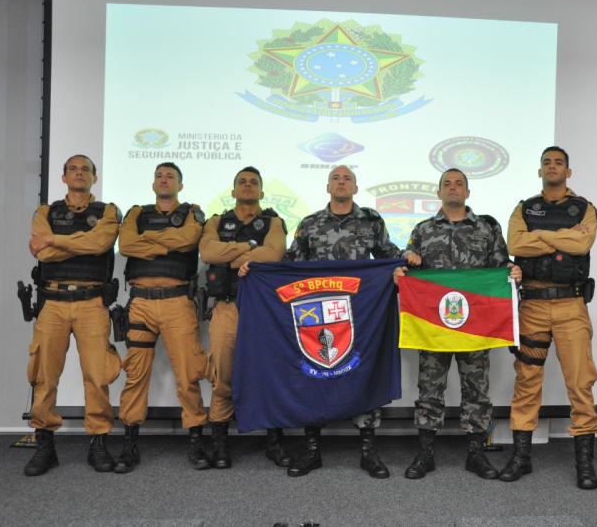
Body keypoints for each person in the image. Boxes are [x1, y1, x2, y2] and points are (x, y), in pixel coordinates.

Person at [284, 164, 415, 479]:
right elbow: (289, 263)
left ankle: (368, 452)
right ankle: (312, 450)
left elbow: (388, 255)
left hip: (360, 313)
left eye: (348, 179)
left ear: (355, 188)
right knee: (314, 372)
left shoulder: (370, 220)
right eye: (336, 178)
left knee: (363, 370)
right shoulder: (310, 223)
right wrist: (257, 271)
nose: (341, 182)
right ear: (327, 186)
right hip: (316, 312)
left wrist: (408, 258)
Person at [395, 168, 521, 481]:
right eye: (447, 184)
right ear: (438, 193)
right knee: (429, 391)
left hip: (475, 326)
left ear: (468, 192)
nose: (453, 188)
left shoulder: (487, 226)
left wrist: (512, 271)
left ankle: (476, 454)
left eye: (459, 184)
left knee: (477, 390)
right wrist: (403, 266)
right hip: (434, 325)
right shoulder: (424, 229)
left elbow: (499, 264)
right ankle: (425, 454)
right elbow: (407, 255)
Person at [501, 146, 597, 489]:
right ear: (539, 170)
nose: (553, 166)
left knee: (580, 383)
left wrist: (539, 236)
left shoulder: (585, 208)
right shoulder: (525, 207)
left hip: (572, 306)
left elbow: (582, 246)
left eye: (559, 162)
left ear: (568, 172)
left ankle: (585, 463)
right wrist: (560, 239)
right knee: (526, 381)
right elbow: (514, 241)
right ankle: (521, 457)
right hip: (532, 306)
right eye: (547, 162)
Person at [23, 154, 123, 476]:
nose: (79, 173)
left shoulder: (107, 212)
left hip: (92, 303)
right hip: (52, 303)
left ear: (94, 177)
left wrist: (54, 238)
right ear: (64, 177)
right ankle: (45, 444)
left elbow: (101, 243)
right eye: (73, 169)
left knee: (97, 377)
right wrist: (66, 243)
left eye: (86, 169)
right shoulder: (45, 212)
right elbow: (43, 251)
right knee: (44, 377)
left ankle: (98, 443)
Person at [115, 162, 210, 473]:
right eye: (159, 175)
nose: (164, 179)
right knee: (135, 374)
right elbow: (127, 244)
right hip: (140, 302)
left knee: (188, 374)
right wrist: (166, 242)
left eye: (170, 176)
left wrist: (150, 242)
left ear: (180, 185)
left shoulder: (193, 211)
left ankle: (196, 440)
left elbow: (188, 241)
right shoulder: (135, 214)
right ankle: (130, 442)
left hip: (177, 303)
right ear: (152, 183)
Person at [199, 166, 287, 469]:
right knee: (222, 377)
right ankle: (221, 446)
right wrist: (250, 249)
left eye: (253, 183)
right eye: (242, 182)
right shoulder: (215, 221)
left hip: (263, 310)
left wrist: (231, 255)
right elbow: (208, 253)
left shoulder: (274, 221)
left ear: (262, 192)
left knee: (268, 376)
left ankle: (275, 443)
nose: (247, 186)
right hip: (227, 307)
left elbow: (274, 254)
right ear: (233, 190)